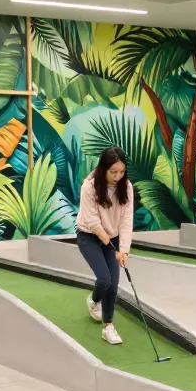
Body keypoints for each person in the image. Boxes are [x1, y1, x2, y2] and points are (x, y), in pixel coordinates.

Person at [75, 147, 134, 346]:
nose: (118, 176)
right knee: (104, 278)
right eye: (113, 172)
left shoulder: (126, 187)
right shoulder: (89, 187)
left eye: (122, 172)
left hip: (113, 237)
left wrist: (124, 250)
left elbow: (126, 221)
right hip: (89, 235)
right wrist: (112, 248)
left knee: (113, 283)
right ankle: (94, 301)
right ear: (103, 169)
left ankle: (108, 327)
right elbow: (92, 222)